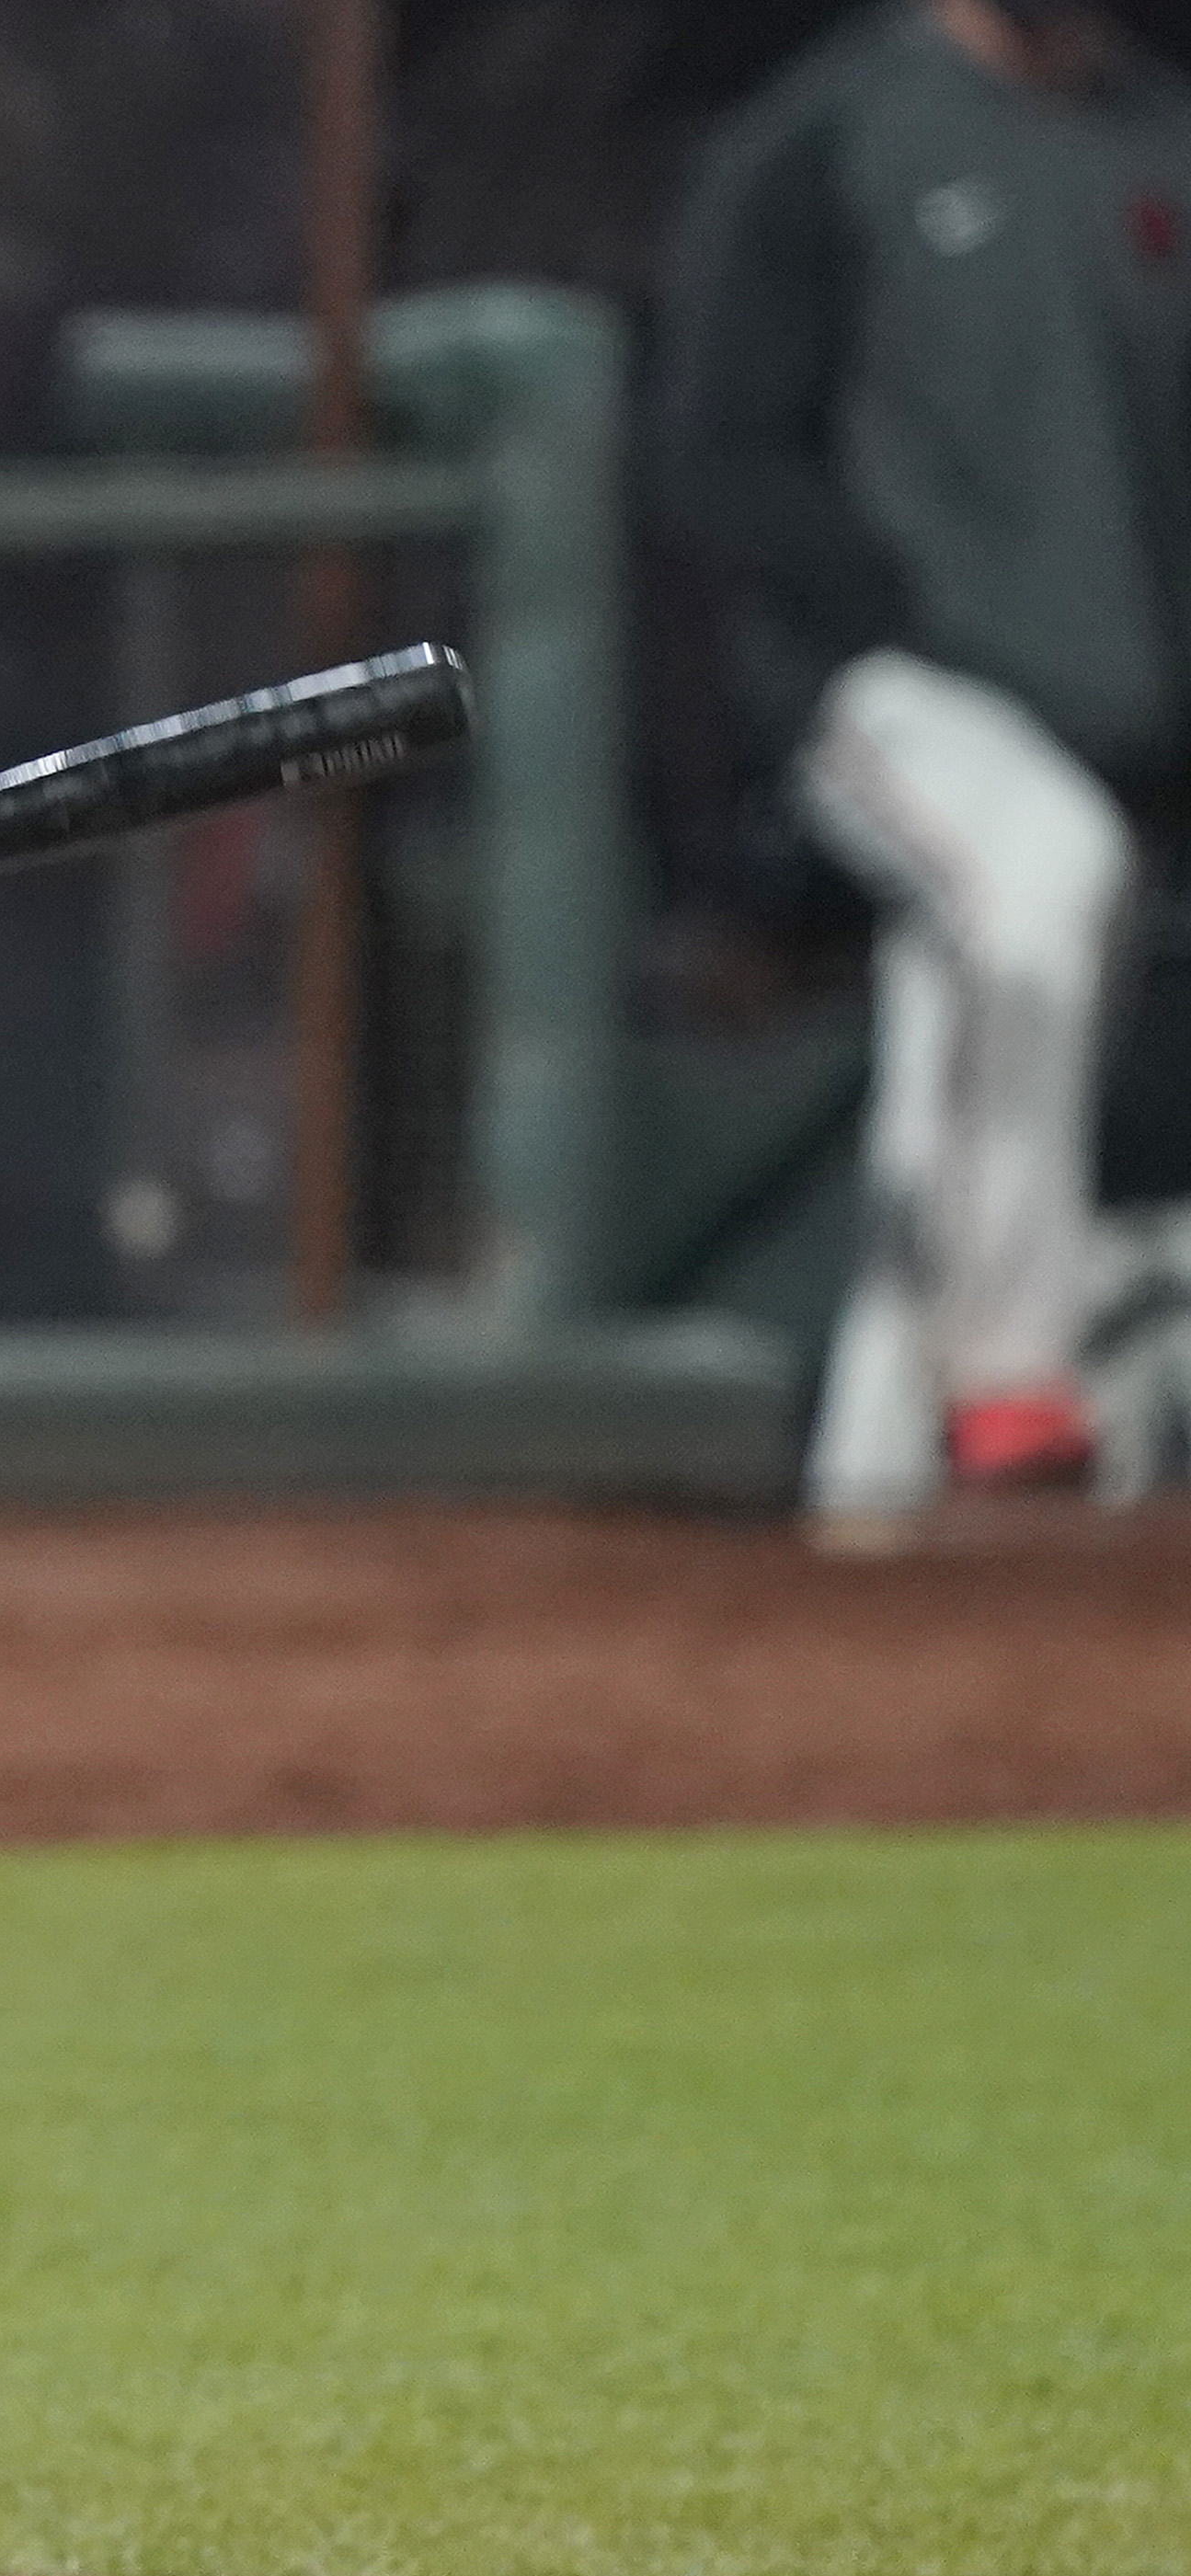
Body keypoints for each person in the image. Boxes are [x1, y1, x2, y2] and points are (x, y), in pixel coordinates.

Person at [659, 0, 1191, 1517]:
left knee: (984, 977)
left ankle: (892, 1464)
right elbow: (719, 451)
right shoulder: (827, 137)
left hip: (1120, 709)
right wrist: (896, 612)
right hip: (886, 696)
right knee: (1035, 879)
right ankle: (1012, 1376)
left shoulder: (1163, 142)